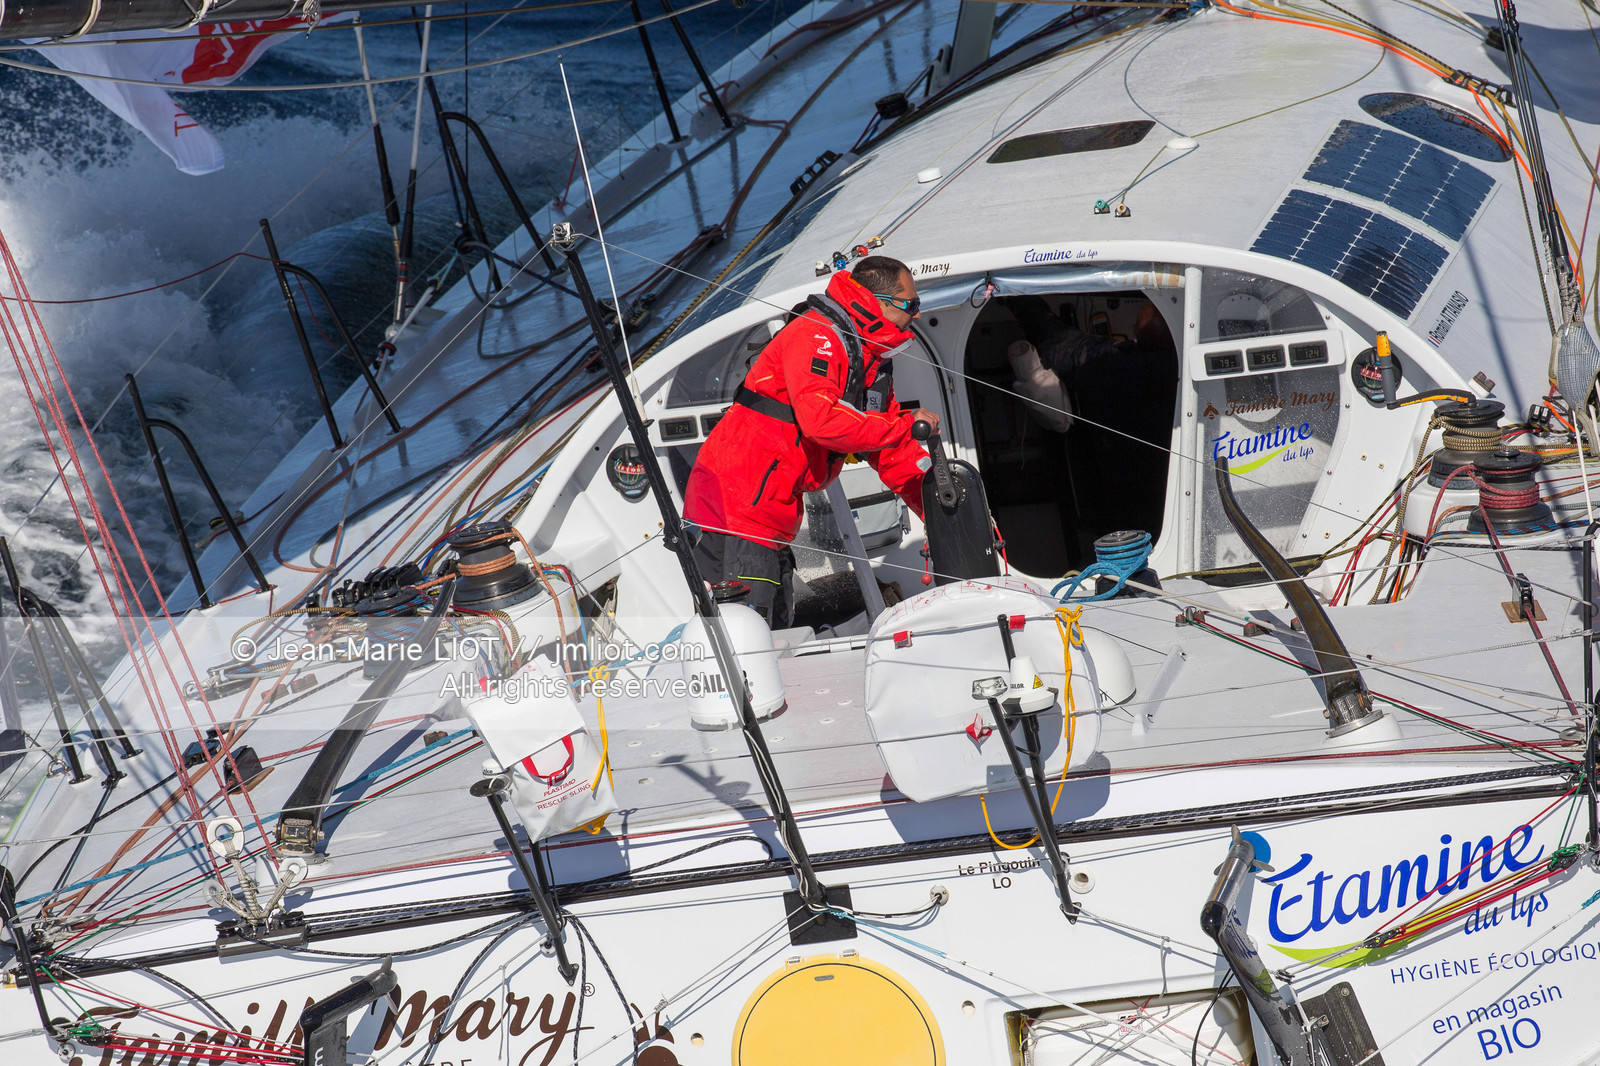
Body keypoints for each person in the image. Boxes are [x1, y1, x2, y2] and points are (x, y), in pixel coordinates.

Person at [683, 256, 940, 627]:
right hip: (735, 512)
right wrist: (904, 425)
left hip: (768, 514)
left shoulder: (868, 358)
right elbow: (822, 422)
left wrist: (938, 507)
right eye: (912, 305)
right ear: (880, 303)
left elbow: (889, 448)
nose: (918, 314)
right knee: (750, 635)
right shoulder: (816, 335)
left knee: (775, 627)